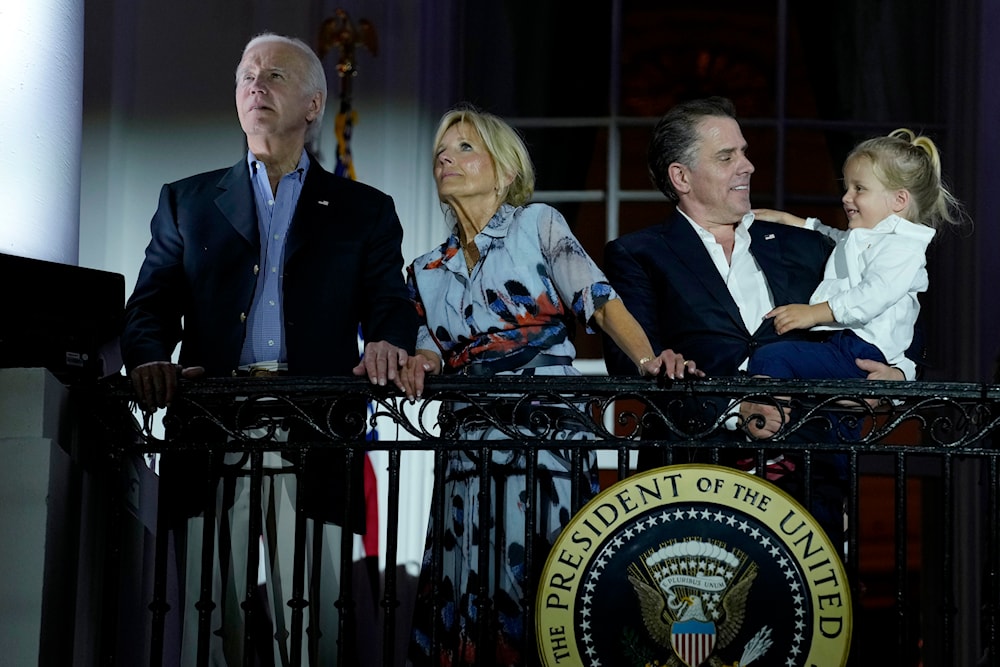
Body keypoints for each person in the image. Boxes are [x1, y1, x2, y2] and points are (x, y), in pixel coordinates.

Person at [120, 32, 416, 665]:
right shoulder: (186, 201)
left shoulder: (364, 210)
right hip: (210, 429)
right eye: (247, 76)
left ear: (313, 106)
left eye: (275, 75)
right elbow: (149, 305)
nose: (256, 84)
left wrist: (388, 342)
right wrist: (148, 358)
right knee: (207, 627)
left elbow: (389, 301)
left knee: (313, 633)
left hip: (316, 430)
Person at [398, 104, 701, 667]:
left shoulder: (537, 225)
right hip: (467, 446)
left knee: (543, 586)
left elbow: (600, 302)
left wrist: (647, 360)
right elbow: (427, 346)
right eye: (441, 151)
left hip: (544, 438)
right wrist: (418, 363)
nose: (446, 158)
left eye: (465, 148)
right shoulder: (425, 269)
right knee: (468, 587)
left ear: (506, 170)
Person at [601, 96, 908, 545]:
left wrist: (899, 374)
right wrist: (735, 410)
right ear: (681, 177)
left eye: (743, 152)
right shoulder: (638, 254)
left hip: (807, 481)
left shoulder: (801, 244)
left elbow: (893, 293)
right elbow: (632, 363)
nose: (747, 166)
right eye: (727, 157)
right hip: (692, 481)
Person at [748, 128, 964, 381]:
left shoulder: (903, 247)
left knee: (772, 358)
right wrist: (789, 220)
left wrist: (813, 313)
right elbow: (834, 238)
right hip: (845, 344)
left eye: (859, 188)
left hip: (863, 352)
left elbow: (873, 295)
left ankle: (774, 411)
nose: (846, 197)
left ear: (899, 200)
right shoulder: (868, 238)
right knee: (780, 362)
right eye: (847, 187)